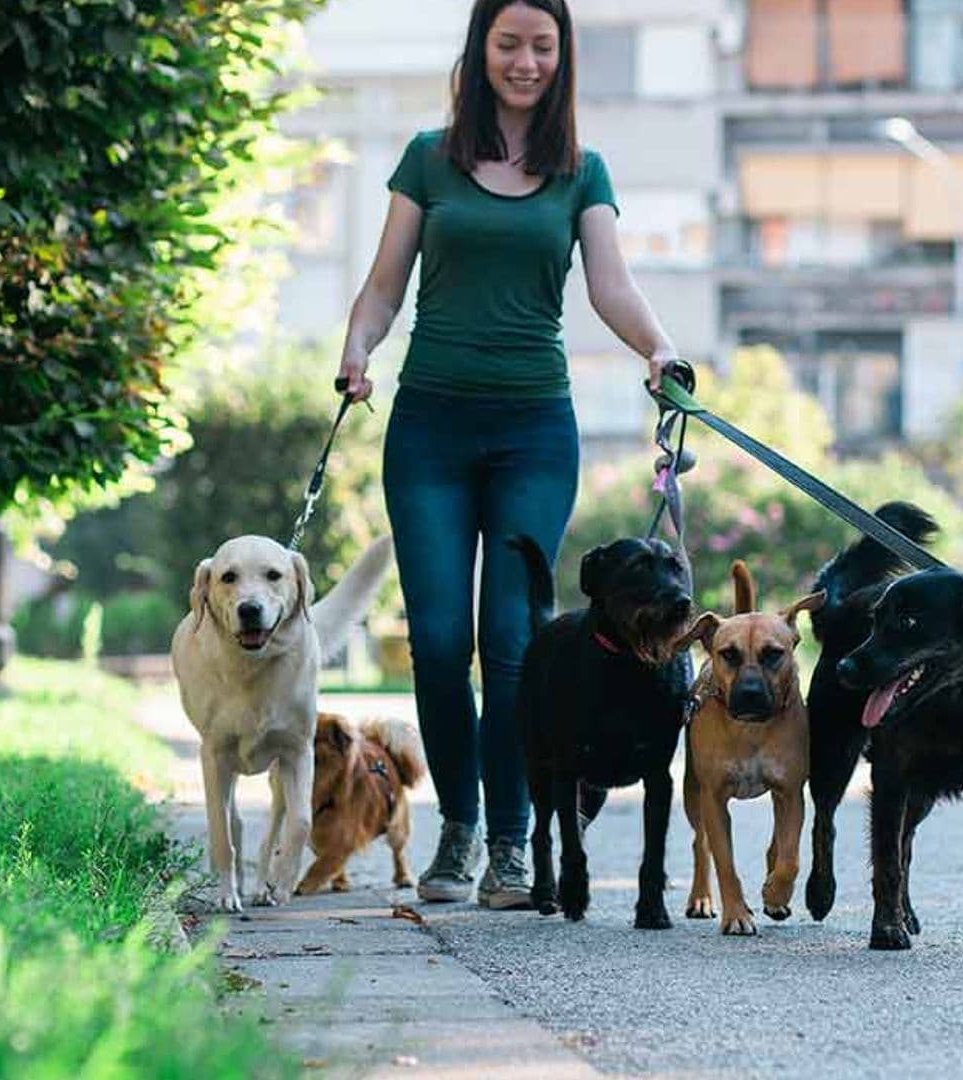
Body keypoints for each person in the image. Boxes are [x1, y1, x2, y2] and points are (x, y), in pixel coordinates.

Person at [333, 0, 679, 909]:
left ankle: (515, 844)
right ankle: (459, 829)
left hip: (533, 430)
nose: (524, 62)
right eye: (508, 44)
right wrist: (358, 348)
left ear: (561, 58)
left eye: (542, 46)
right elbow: (381, 286)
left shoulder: (581, 171)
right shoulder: (429, 158)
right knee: (442, 644)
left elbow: (612, 285)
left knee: (513, 641)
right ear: (481, 50)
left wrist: (659, 350)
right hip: (430, 430)